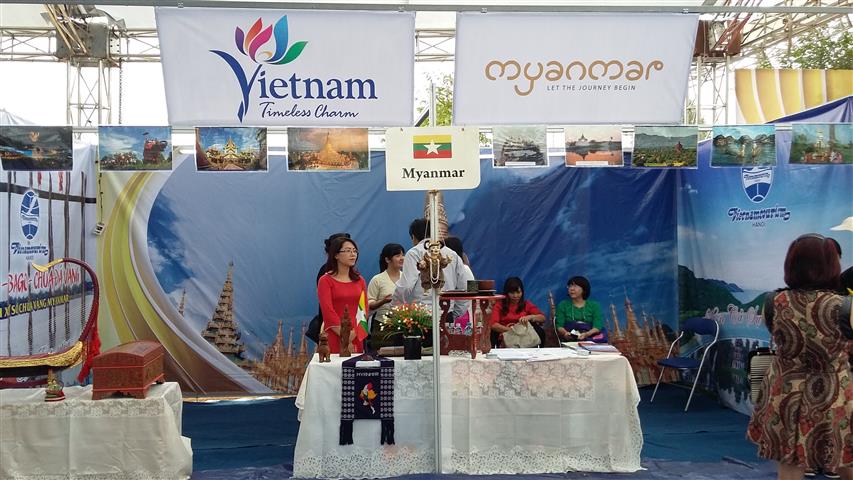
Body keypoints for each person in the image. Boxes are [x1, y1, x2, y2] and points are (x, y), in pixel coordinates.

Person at [747, 233, 853, 480]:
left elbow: (777, 335)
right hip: (834, 392)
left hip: (785, 391)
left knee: (789, 461)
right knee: (846, 454)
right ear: (832, 265)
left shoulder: (773, 302)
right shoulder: (845, 306)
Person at [393, 218, 473, 319]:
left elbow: (406, 286)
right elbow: (464, 288)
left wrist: (394, 308)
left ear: (413, 237)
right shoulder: (452, 254)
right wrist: (454, 313)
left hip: (421, 315)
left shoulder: (414, 253)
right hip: (446, 313)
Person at [317, 236, 368, 354]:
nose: (353, 254)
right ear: (336, 255)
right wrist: (345, 337)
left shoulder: (360, 280)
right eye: (348, 251)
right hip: (335, 334)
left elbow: (364, 309)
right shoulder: (325, 280)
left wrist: (354, 334)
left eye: (355, 251)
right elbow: (328, 312)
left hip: (356, 334)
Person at [490, 277, 546, 347]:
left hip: (525, 337)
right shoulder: (499, 305)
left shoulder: (526, 304)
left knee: (539, 331)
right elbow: (493, 325)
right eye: (512, 293)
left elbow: (542, 318)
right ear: (506, 293)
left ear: (522, 292)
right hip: (507, 336)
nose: (515, 296)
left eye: (518, 292)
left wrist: (530, 317)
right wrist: (513, 331)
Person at [367, 243, 405, 340]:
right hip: (382, 326)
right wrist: (383, 301)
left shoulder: (406, 278)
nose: (402, 258)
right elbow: (369, 304)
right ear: (387, 260)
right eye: (397, 255)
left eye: (403, 255)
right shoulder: (377, 279)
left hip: (405, 325)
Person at [554, 276, 605, 342]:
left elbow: (597, 327)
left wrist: (586, 334)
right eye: (570, 286)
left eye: (575, 286)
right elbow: (559, 326)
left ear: (584, 289)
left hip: (590, 338)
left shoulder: (594, 305)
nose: (571, 289)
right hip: (570, 339)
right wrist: (565, 333)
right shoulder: (563, 305)